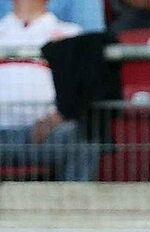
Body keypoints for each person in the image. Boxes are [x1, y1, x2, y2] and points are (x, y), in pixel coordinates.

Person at [0, 0, 98, 181]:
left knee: (83, 141)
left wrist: (56, 118)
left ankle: (75, 199)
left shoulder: (70, 33)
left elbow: (85, 88)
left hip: (46, 133)